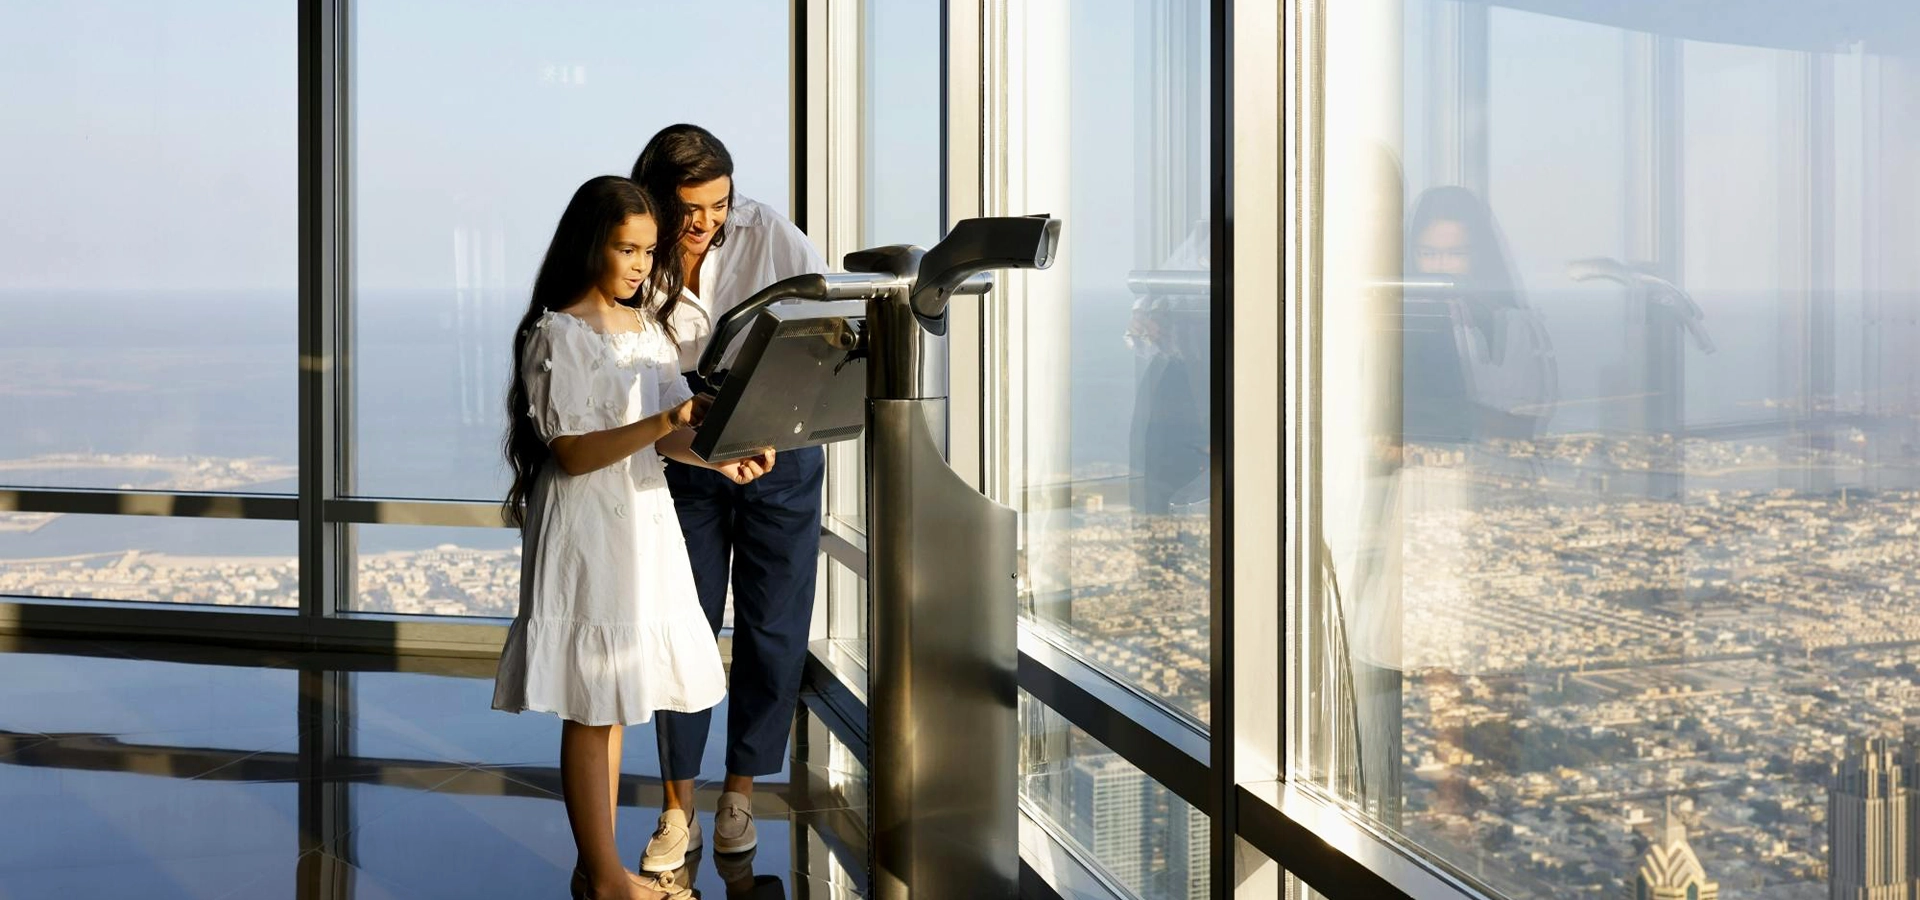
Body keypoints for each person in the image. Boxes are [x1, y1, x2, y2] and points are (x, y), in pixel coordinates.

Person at [490, 175, 774, 900]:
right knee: (594, 706)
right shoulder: (557, 334)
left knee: (613, 698)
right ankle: (607, 877)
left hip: (639, 524)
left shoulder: (648, 331)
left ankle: (599, 870)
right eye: (628, 249)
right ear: (592, 245)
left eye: (650, 251)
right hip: (588, 529)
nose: (643, 265)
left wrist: (720, 452)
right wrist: (666, 425)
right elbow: (574, 452)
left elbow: (671, 440)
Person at [629, 124, 829, 872]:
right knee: (685, 624)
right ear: (657, 195)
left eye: (717, 204)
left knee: (774, 625)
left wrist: (778, 414)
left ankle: (739, 791)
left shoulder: (770, 232)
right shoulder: (636, 245)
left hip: (777, 440)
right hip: (682, 442)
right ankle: (677, 806)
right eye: (690, 207)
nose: (706, 221)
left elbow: (825, 325)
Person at [1403, 185, 1556, 442]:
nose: (1441, 266)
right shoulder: (1399, 324)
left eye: (1456, 254)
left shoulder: (1515, 326)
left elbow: (1528, 419)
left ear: (1479, 254)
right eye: (1428, 254)